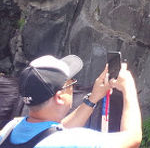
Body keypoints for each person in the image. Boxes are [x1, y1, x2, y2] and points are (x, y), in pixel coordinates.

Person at [0, 55, 141, 148]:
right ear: (60, 97)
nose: (73, 87)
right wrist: (129, 88)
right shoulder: (74, 140)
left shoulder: (10, 129)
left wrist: (93, 98)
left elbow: (54, 130)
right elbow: (132, 138)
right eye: (71, 83)